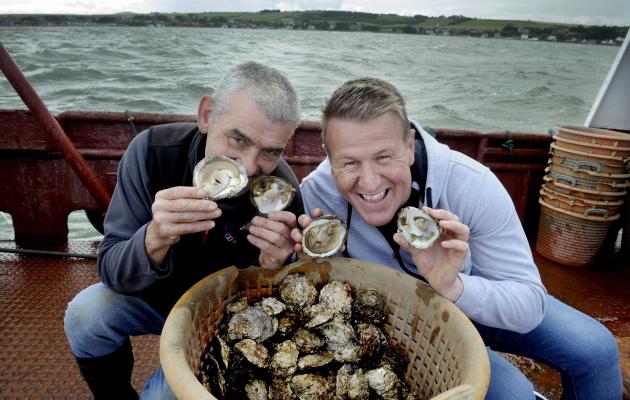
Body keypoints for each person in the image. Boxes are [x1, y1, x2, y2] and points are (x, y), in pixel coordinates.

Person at [292, 77, 622, 399]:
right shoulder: (317, 194)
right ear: (329, 155)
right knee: (514, 394)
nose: (368, 181)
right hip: (404, 320)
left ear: (409, 146)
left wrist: (453, 286)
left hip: (473, 292)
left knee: (597, 351)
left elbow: (529, 303)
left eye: (383, 157)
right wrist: (303, 262)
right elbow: (311, 291)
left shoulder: (472, 184)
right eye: (349, 162)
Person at [64, 62, 304, 399]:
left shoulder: (281, 189)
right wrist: (154, 237)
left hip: (218, 317)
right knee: (85, 314)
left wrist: (275, 266)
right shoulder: (151, 153)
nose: (249, 167)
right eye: (237, 138)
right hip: (154, 293)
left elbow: (284, 307)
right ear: (206, 115)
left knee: (162, 396)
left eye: (271, 151)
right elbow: (111, 270)